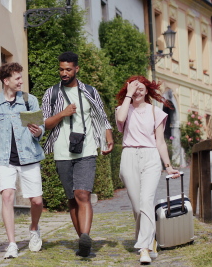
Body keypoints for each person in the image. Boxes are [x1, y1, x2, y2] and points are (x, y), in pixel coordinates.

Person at [41, 51, 114, 257]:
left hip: (87, 150)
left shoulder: (90, 91)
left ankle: (85, 236)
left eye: (68, 69)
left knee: (83, 194)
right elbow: (44, 124)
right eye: (61, 69)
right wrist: (63, 113)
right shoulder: (51, 93)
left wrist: (108, 138)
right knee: (72, 199)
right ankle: (83, 241)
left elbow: (102, 117)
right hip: (62, 152)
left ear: (76, 69)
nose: (64, 73)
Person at [114, 75, 180, 265]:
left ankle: (144, 248)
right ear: (129, 89)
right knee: (137, 206)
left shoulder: (155, 112)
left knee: (145, 201)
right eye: (134, 86)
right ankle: (149, 238)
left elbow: (160, 142)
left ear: (147, 90)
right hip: (129, 157)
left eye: (141, 86)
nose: (138, 89)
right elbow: (120, 118)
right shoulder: (123, 109)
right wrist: (128, 95)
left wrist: (168, 166)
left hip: (150, 157)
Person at [0, 62, 45, 259]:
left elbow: (41, 128)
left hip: (29, 156)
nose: (21, 81)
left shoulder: (30, 100)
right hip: (5, 159)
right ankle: (12, 243)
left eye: (21, 77)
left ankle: (34, 229)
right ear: (6, 80)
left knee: (36, 200)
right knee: (7, 197)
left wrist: (38, 131)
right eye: (17, 78)